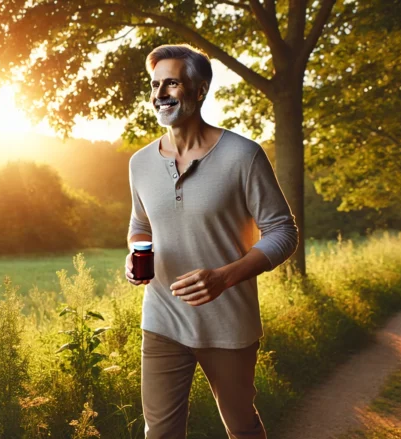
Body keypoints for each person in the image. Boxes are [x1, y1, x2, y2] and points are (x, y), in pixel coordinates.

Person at [125, 43, 299, 439]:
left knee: (241, 425)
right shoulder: (140, 163)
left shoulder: (243, 155)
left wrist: (225, 277)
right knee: (160, 433)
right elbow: (140, 224)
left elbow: (283, 231)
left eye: (171, 83)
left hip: (228, 324)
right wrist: (135, 254)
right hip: (162, 320)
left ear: (200, 90)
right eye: (154, 84)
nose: (160, 93)